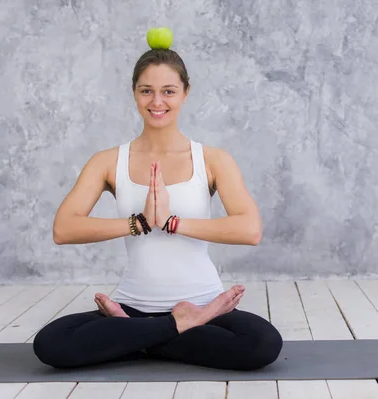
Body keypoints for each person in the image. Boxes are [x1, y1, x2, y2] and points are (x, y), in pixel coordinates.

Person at [32, 45, 283, 371]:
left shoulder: (212, 160)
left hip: (203, 302)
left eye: (168, 91)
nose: (157, 102)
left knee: (262, 345)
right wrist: (139, 223)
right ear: (134, 93)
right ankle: (180, 326)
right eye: (146, 91)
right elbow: (64, 229)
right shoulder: (108, 161)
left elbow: (249, 230)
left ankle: (138, 339)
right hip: (133, 305)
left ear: (185, 93)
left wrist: (170, 221)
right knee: (51, 343)